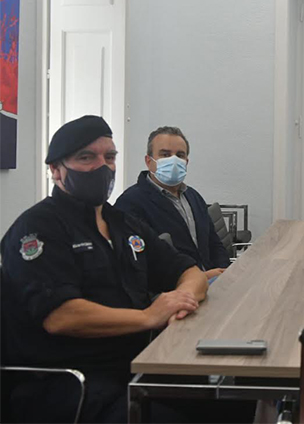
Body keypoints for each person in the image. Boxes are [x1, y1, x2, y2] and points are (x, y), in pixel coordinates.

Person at [0, 115, 208, 423]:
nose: (102, 167)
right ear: (56, 170)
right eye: (86, 158)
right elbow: (61, 316)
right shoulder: (38, 229)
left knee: (234, 398)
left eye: (109, 157)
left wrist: (183, 298)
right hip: (71, 383)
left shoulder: (123, 224)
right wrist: (149, 316)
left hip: (137, 366)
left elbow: (189, 271)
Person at [115, 126, 230, 281]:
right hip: (175, 288)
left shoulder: (193, 196)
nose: (173, 160)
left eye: (180, 155)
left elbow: (213, 243)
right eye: (165, 154)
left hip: (212, 282)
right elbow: (139, 263)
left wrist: (225, 272)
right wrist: (198, 278)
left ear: (186, 162)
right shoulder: (130, 203)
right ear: (149, 161)